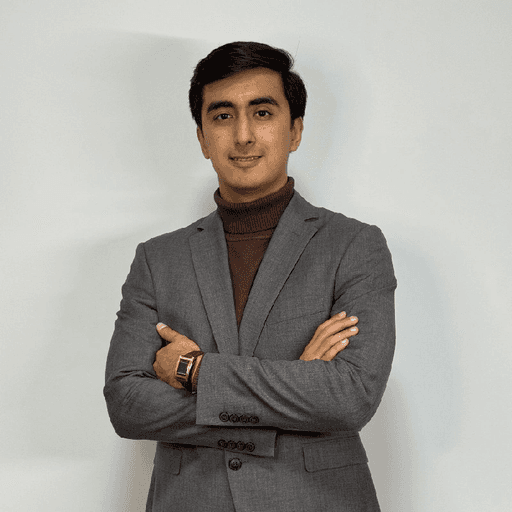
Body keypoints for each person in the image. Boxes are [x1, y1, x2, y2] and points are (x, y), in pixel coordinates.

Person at [104, 41, 397, 512]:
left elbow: (351, 396)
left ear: (295, 130)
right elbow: (126, 404)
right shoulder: (157, 259)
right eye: (223, 116)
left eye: (262, 113)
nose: (243, 135)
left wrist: (195, 370)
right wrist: (298, 386)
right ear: (202, 138)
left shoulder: (354, 245)